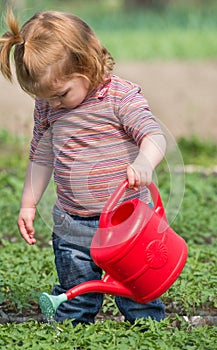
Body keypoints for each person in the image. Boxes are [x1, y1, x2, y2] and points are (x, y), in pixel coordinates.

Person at [0, 10, 166, 325]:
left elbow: (153, 135)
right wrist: (28, 202)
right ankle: (74, 328)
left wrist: (144, 161)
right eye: (45, 97)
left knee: (136, 289)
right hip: (73, 221)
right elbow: (41, 156)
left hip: (127, 220)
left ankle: (147, 329)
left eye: (60, 94)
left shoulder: (119, 96)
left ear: (86, 65)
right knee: (75, 290)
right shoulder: (49, 106)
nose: (54, 104)